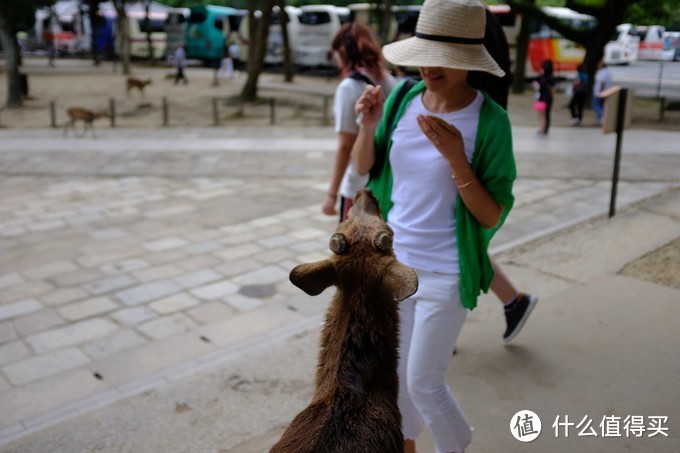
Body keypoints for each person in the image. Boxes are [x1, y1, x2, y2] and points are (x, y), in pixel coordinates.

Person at [353, 0, 516, 451]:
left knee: (425, 382)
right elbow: (368, 167)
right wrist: (368, 126)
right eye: (423, 52)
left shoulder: (490, 122)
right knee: (395, 375)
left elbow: (491, 214)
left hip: (446, 272)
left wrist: (457, 159)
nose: (428, 66)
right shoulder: (403, 98)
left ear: (469, 61)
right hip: (394, 265)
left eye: (443, 56)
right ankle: (404, 445)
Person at [469, 6, 537, 343]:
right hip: (479, 135)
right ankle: (514, 301)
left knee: (458, 241)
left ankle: (514, 301)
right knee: (462, 241)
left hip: (471, 138)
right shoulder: (486, 18)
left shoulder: (471, 17)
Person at [322, 23, 397, 222]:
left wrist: (331, 194)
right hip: (388, 186)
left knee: (353, 251)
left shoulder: (349, 87)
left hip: (358, 190)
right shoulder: (389, 80)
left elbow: (346, 146)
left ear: (343, 51)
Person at [533, 59, 555, 135]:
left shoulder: (543, 78)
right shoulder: (551, 78)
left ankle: (542, 129)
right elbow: (553, 90)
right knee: (546, 114)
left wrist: (537, 86)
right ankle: (544, 129)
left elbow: (540, 87)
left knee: (542, 115)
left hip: (543, 98)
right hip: (548, 98)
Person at [592, 60, 613, 125]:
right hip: (606, 91)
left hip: (600, 92)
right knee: (602, 105)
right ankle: (600, 120)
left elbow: (602, 82)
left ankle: (602, 115)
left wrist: (601, 92)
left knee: (595, 104)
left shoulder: (602, 73)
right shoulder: (608, 72)